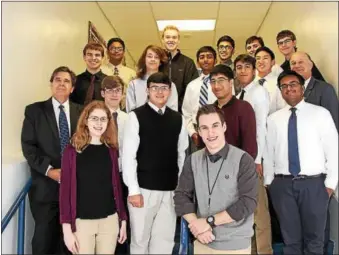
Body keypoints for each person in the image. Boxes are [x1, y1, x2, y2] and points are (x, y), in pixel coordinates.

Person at [264, 70, 338, 255]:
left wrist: (329, 185)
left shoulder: (321, 114)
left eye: (293, 84)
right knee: (290, 241)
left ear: (302, 88)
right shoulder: (273, 119)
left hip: (314, 185)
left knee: (315, 240)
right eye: (284, 86)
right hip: (283, 185)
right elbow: (268, 151)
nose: (289, 89)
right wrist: (269, 182)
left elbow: (333, 150)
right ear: (280, 91)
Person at [174, 104, 258, 254]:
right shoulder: (192, 160)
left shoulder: (243, 160)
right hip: (202, 242)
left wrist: (208, 222)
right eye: (204, 128)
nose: (210, 133)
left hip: (235, 246)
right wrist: (197, 226)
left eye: (215, 126)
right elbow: (181, 196)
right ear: (198, 131)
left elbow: (248, 203)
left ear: (224, 127)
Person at [122, 72, 188, 254]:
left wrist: (180, 188)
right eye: (155, 88)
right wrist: (133, 190)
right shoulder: (135, 117)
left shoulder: (178, 119)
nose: (160, 92)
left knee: (164, 242)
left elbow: (181, 154)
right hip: (143, 191)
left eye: (164, 88)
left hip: (170, 191)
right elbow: (128, 156)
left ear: (170, 91)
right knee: (140, 241)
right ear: (147, 91)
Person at [21, 66, 82, 254]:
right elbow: (29, 147)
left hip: (76, 189)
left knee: (71, 242)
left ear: (72, 88)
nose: (61, 84)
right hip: (46, 187)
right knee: (44, 239)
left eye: (66, 81)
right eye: (57, 80)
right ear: (51, 84)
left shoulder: (82, 113)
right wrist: (49, 171)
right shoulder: (35, 111)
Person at [59, 101, 128, 254]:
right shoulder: (72, 151)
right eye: (94, 118)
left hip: (109, 222)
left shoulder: (111, 150)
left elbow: (116, 186)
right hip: (81, 223)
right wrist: (66, 230)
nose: (99, 123)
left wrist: (122, 219)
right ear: (86, 120)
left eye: (103, 119)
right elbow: (65, 191)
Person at [234, 54, 273, 254]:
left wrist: (258, 160)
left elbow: (261, 128)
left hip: (253, 160)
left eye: (246, 67)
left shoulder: (258, 93)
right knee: (247, 210)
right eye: (239, 67)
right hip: (241, 160)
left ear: (254, 69)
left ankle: (264, 251)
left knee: (259, 212)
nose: (242, 71)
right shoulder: (240, 94)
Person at [101, 75, 130, 254]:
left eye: (117, 90)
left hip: (123, 177)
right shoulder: (94, 117)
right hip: (102, 177)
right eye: (110, 90)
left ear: (123, 94)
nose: (114, 94)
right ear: (102, 93)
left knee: (123, 221)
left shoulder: (130, 119)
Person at [210, 64, 257, 160]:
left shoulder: (244, 108)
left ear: (231, 82)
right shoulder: (209, 111)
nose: (216, 86)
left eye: (221, 80)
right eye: (213, 81)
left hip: (236, 169)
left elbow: (250, 147)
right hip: (211, 169)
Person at [290, 51, 338, 131]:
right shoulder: (286, 90)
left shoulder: (325, 89)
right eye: (293, 63)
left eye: (301, 62)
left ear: (311, 65)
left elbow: (334, 122)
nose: (297, 66)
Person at [182, 46, 217, 151]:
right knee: (198, 165)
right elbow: (186, 113)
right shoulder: (192, 86)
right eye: (202, 57)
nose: (205, 60)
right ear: (197, 62)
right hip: (197, 131)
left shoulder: (222, 83)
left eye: (209, 57)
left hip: (216, 129)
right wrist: (192, 133)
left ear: (215, 60)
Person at [126, 45, 178, 112]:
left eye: (156, 57)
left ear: (160, 62)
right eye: (149, 56)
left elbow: (173, 110)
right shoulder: (133, 84)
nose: (153, 59)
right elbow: (130, 111)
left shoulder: (170, 85)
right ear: (144, 59)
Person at [162, 25, 199, 112]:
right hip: (159, 111)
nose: (171, 40)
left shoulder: (188, 63)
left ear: (178, 40)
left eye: (174, 37)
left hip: (181, 112)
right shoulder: (158, 61)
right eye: (167, 37)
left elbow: (192, 90)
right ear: (163, 40)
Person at [101, 37, 136, 110]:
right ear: (107, 52)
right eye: (113, 48)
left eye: (119, 49)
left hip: (125, 111)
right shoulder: (101, 70)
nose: (116, 51)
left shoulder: (132, 73)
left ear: (123, 53)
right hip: (104, 110)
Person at [254, 46, 286, 114]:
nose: (261, 61)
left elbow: (283, 109)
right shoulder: (249, 82)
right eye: (258, 58)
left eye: (265, 58)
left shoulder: (280, 83)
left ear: (273, 62)